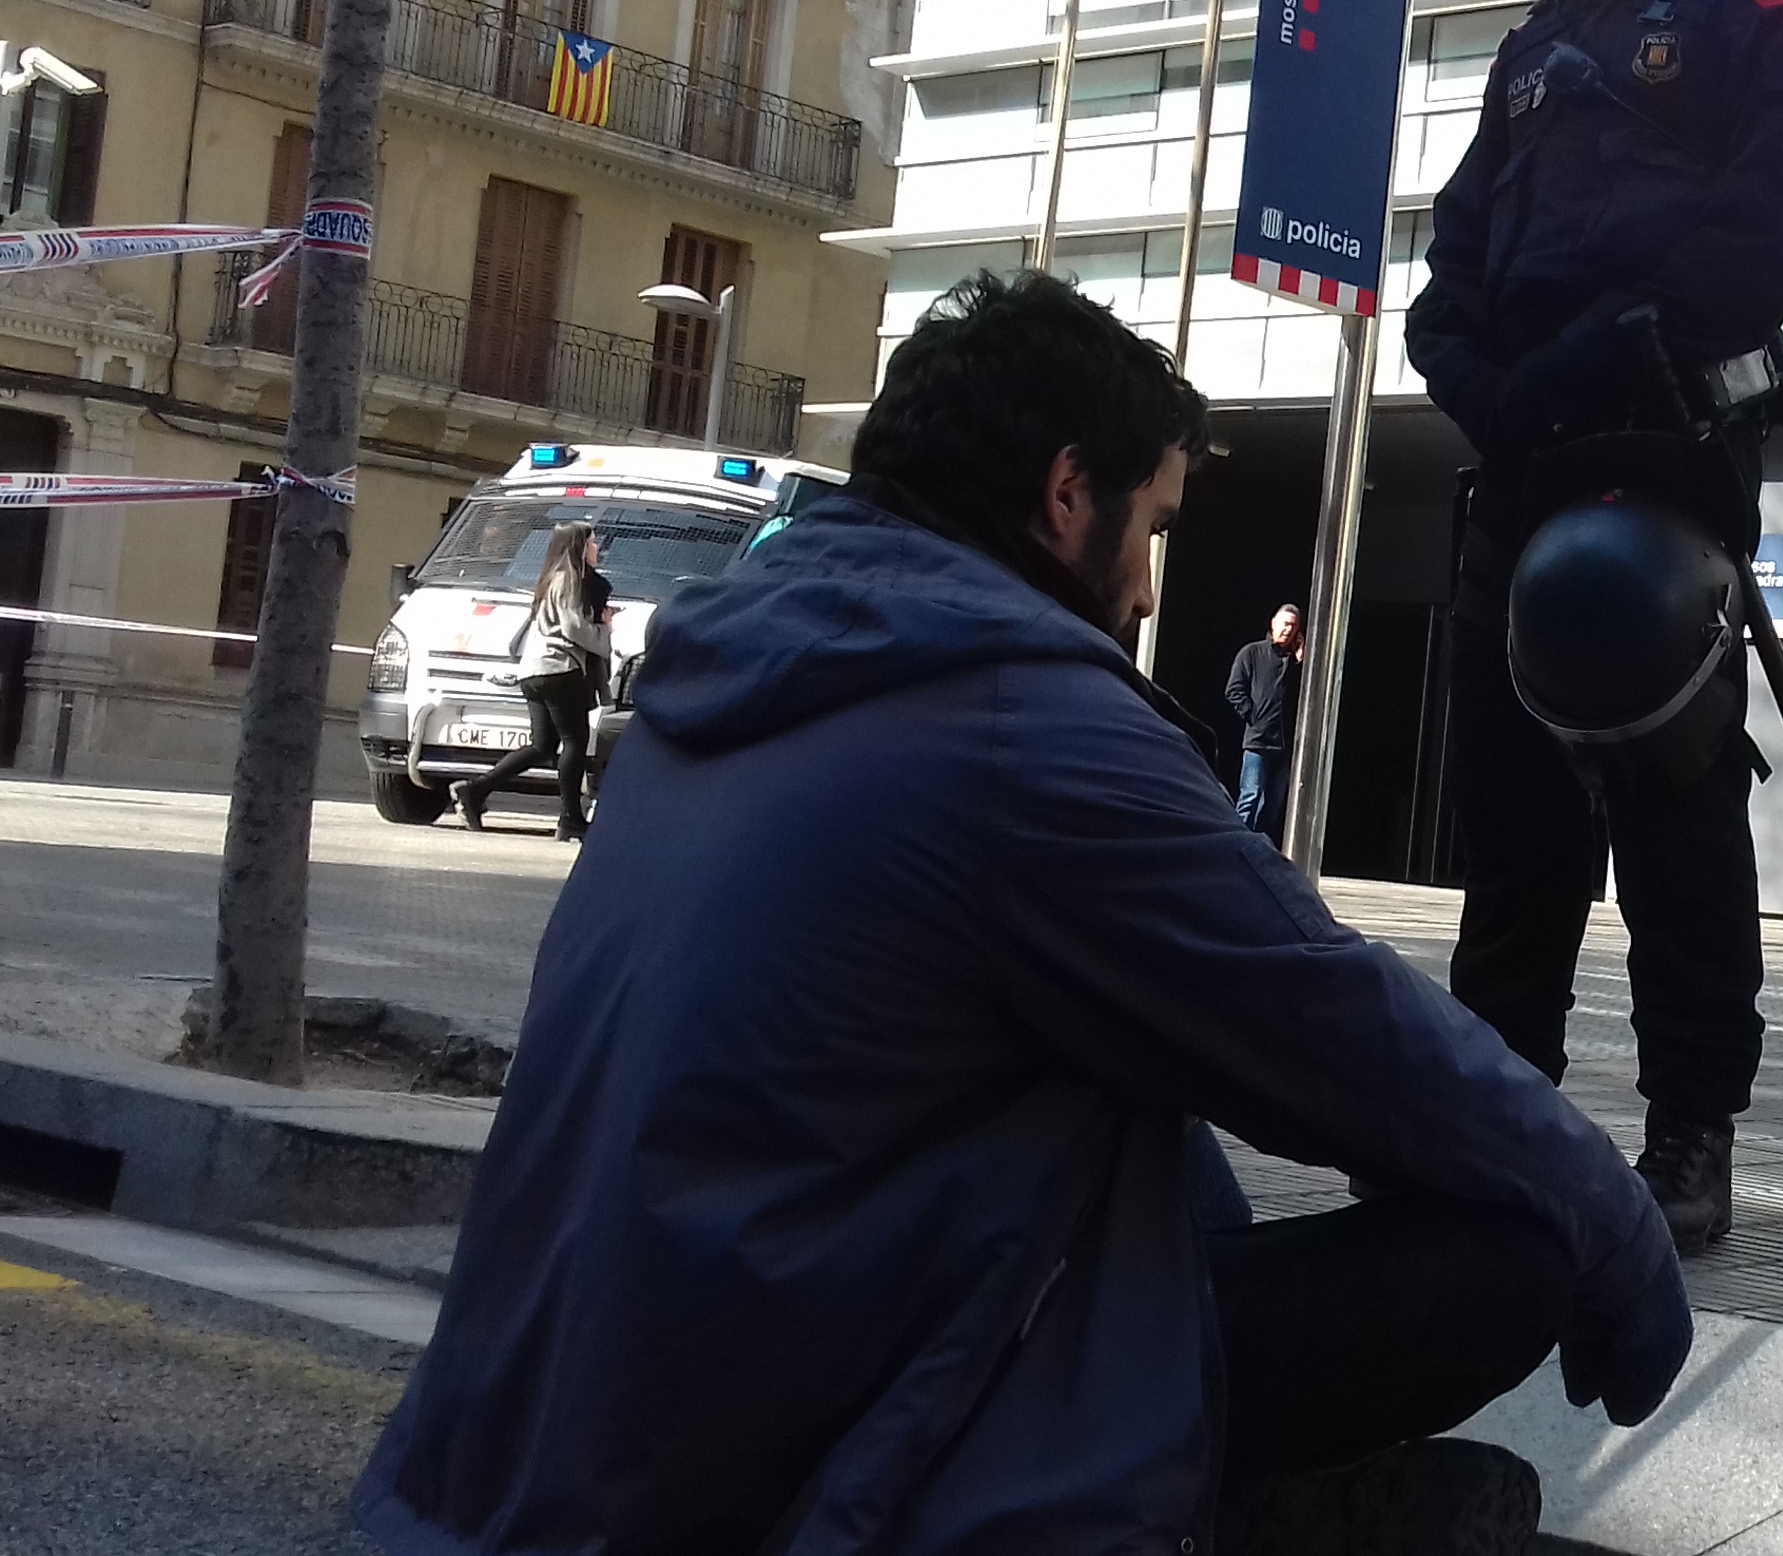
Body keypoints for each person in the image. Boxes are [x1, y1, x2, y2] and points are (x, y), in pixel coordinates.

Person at [355, 272, 1691, 1556]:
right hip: (776, 1472)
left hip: (538, 1440)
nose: (1149, 589)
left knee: (1127, 1081)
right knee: (1511, 1260)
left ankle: (1213, 1498)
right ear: (1065, 493)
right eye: (1152, 528)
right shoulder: (1025, 728)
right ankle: (1211, 1521)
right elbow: (1345, 1027)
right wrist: (1621, 1234)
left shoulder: (732, 678)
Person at [1403, 0, 1783, 1256]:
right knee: (1511, 819)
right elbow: (1457, 259)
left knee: (1675, 813)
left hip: (1661, 455)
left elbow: (1772, 230)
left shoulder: (1768, 9)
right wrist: (1480, 380)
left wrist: (1612, 350)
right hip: (1520, 459)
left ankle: (1691, 1136)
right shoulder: (1535, 46)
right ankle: (1497, 1119)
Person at [456, 524, 610, 841]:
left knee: (542, 746)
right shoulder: (569, 578)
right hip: (560, 669)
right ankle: (570, 818)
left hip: (534, 670)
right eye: (593, 543)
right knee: (575, 742)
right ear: (578, 547)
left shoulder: (549, 577)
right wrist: (604, 630)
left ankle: (474, 790)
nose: (597, 549)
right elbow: (573, 627)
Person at [1226, 603, 1305, 837]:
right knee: (1250, 797)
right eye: (1285, 624)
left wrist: (1300, 660)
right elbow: (1233, 690)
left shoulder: (1294, 662)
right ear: (1273, 624)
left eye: (1293, 626)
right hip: (1258, 741)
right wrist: (1254, 716)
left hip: (1284, 745)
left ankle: (1261, 847)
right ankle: (1238, 843)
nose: (1288, 629)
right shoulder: (1252, 653)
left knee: (1273, 805)